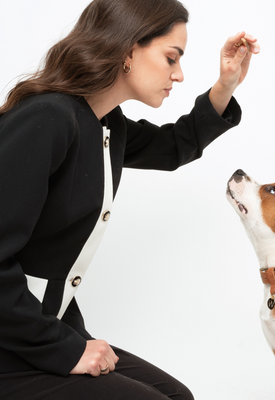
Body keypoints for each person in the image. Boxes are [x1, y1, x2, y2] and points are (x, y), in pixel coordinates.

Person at [0, 0, 259, 398]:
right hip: (14, 341)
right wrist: (65, 349)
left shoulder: (106, 125)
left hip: (42, 328)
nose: (179, 74)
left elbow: (173, 147)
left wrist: (226, 85)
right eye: (171, 58)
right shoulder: (47, 118)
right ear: (128, 50)